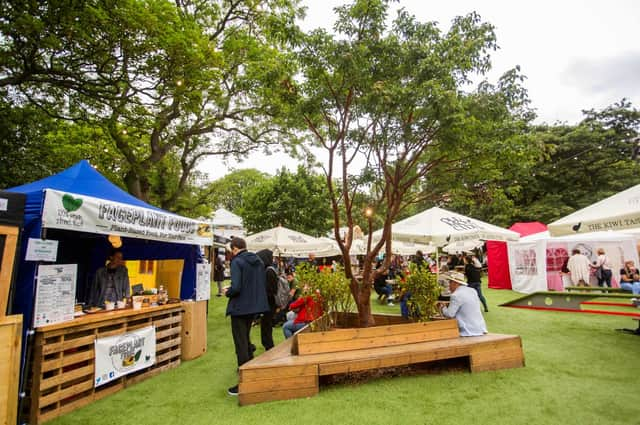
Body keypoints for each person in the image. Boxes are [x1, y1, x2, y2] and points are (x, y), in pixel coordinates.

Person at [224, 237, 269, 396]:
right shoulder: (258, 261)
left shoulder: (237, 262)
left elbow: (236, 287)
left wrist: (227, 291)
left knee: (241, 345)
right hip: (253, 307)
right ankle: (250, 373)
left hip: (240, 308)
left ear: (235, 248)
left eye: (231, 250)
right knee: (245, 342)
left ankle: (244, 382)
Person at [439, 271, 487, 337]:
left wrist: (442, 307)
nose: (449, 285)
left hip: (467, 332)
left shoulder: (456, 295)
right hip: (481, 329)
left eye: (450, 282)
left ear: (455, 283)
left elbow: (449, 315)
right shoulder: (472, 291)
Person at [256, 249, 278, 351]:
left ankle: (269, 346)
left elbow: (272, 290)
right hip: (268, 303)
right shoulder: (268, 270)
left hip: (269, 303)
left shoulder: (269, 271)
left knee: (266, 325)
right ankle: (267, 344)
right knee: (265, 325)